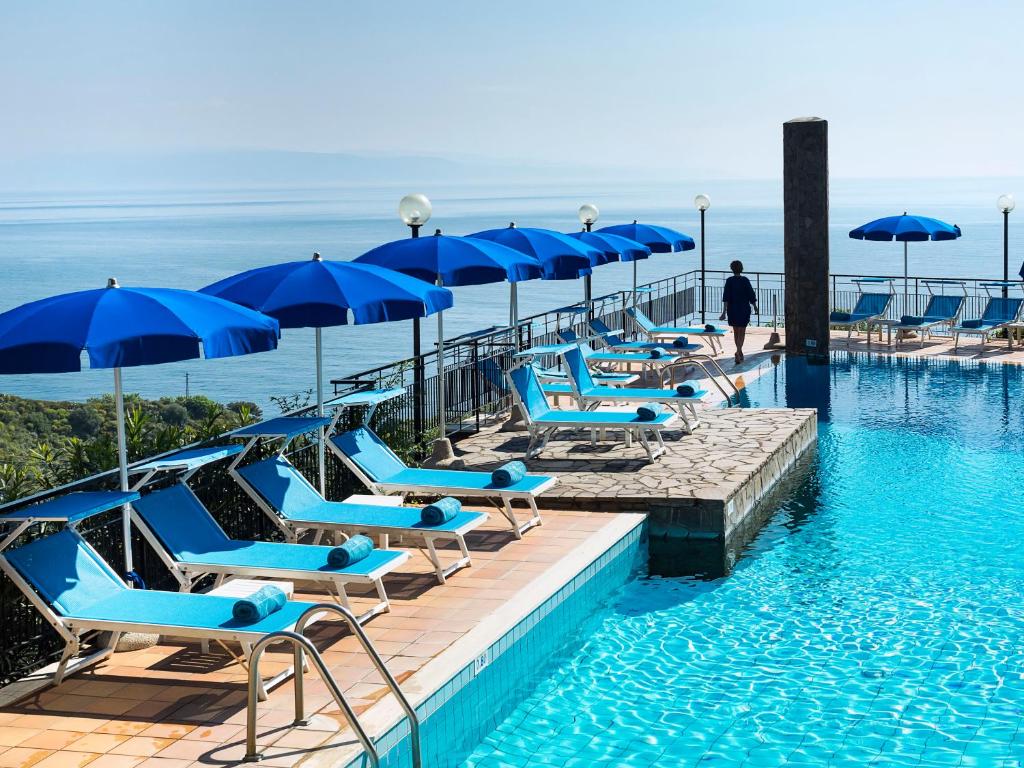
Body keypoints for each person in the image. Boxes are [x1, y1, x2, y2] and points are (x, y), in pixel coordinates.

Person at [719, 260, 758, 365]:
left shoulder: (729, 281)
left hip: (732, 309)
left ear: (732, 269)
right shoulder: (745, 280)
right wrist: (755, 306)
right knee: (742, 331)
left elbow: (726, 297)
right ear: (741, 268)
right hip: (744, 308)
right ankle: (738, 351)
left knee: (736, 331)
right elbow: (751, 294)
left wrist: (724, 312)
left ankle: (739, 352)